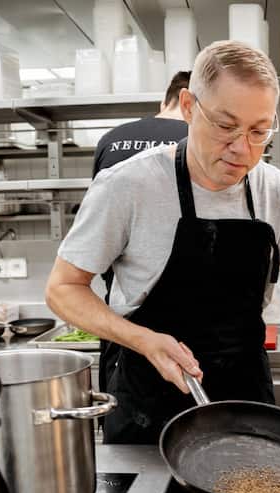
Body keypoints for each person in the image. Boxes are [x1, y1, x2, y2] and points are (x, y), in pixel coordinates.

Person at [47, 41, 280, 461]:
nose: (243, 149)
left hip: (244, 396)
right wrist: (142, 339)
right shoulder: (126, 186)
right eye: (226, 126)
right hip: (147, 405)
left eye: (259, 131)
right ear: (188, 107)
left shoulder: (277, 191)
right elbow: (63, 288)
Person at [91, 72, 191, 388]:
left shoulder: (111, 139)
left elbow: (99, 233)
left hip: (126, 325)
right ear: (190, 104)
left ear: (166, 100)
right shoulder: (201, 140)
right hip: (193, 326)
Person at [92, 71, 191, 177]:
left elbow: (96, 190)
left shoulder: (109, 138)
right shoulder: (195, 140)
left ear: (163, 104)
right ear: (187, 103)